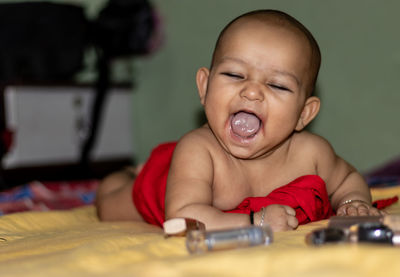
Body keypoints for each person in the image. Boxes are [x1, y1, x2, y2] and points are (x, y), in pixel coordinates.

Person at [95, 9, 382, 232]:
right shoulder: (198, 150)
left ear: (304, 114)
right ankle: (129, 174)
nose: (252, 91)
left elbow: (347, 179)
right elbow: (182, 218)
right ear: (205, 87)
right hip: (163, 184)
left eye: (278, 85)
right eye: (234, 75)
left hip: (188, 172)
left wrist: (353, 203)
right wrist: (254, 222)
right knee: (108, 206)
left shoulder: (312, 153)